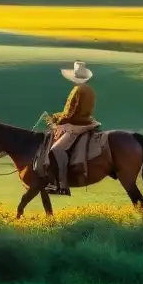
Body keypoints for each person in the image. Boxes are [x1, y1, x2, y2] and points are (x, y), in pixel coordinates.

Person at [48, 61, 99, 195]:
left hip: (76, 126)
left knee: (56, 149)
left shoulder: (76, 90)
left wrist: (56, 120)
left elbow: (68, 113)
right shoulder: (90, 90)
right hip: (88, 122)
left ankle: (63, 185)